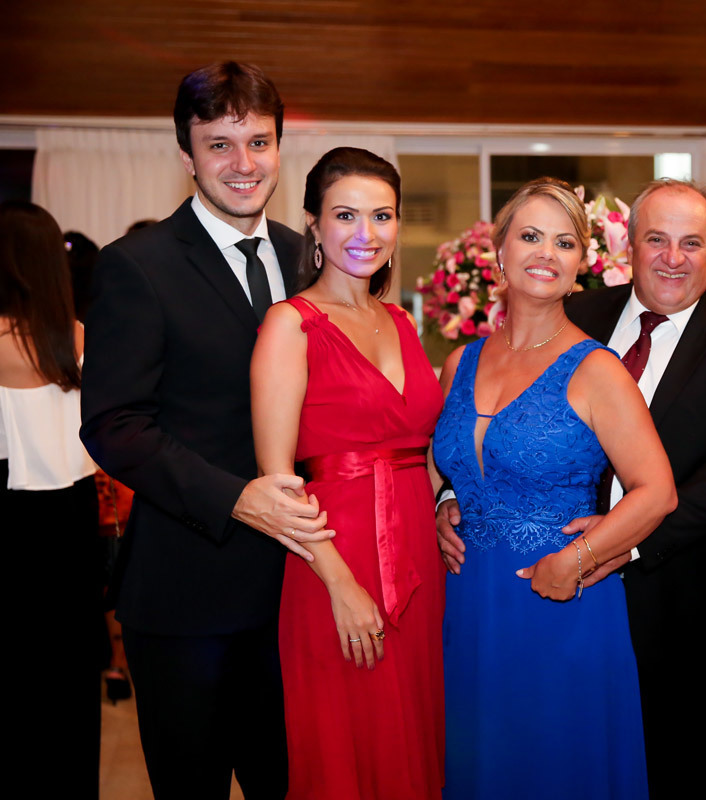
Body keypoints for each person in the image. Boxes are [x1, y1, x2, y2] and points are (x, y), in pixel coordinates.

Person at [438, 177, 706, 798]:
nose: (672, 257)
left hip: (665, 593)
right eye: (656, 239)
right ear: (628, 248)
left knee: (640, 768)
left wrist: (615, 543)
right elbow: (463, 447)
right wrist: (448, 499)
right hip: (484, 592)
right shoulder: (573, 314)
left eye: (691, 243)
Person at [80, 62, 326, 799]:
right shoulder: (138, 265)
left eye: (259, 142)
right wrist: (236, 498)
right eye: (219, 144)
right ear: (186, 155)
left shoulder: (310, 258)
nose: (243, 163)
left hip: (301, 593)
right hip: (188, 595)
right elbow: (114, 425)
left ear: (279, 148)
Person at [433, 177, 677, 800]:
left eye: (564, 242)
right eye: (531, 236)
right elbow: (447, 465)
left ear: (579, 266)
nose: (546, 252)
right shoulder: (460, 363)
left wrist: (577, 559)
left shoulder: (597, 369)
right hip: (469, 603)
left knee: (557, 767)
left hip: (562, 600)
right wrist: (444, 502)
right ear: (500, 251)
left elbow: (656, 491)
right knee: (481, 764)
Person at [251, 147, 446, 799]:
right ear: (312, 223)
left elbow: (424, 450)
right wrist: (341, 585)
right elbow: (277, 483)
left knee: (414, 738)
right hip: (331, 563)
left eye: (382, 216)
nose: (367, 233)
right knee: (347, 747)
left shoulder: (401, 321)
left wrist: (446, 505)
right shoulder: (290, 325)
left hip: (418, 563)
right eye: (346, 215)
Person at [0, 201, 100, 797]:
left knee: (3, 675)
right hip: (73, 516)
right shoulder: (75, 332)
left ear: (4, 260)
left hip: (3, 517)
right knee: (66, 673)